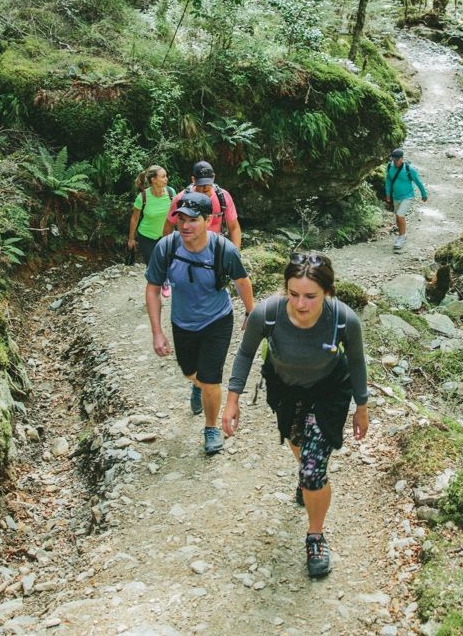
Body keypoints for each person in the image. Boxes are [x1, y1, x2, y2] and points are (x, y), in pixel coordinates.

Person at [222, 252, 368, 578]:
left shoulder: (344, 320)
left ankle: (315, 535)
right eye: (294, 294)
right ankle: (306, 474)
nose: (301, 304)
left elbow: (357, 363)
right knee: (297, 442)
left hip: (330, 390)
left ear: (328, 293)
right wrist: (232, 400)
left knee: (314, 469)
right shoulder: (268, 314)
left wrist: (361, 406)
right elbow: (245, 352)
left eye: (311, 296)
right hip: (284, 388)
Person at [145, 190, 255, 455]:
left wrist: (251, 313)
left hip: (217, 319)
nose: (184, 225)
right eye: (180, 219)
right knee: (189, 371)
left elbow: (241, 281)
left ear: (208, 221)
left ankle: (211, 428)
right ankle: (198, 386)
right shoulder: (167, 247)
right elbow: (152, 289)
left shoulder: (222, 249)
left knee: (210, 377)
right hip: (183, 322)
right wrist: (157, 332)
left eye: (192, 219)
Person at [163, 161, 242, 248]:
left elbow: (234, 228)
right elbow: (168, 227)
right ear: (193, 180)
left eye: (207, 184)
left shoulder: (223, 197)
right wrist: (168, 252)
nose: (205, 188)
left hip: (214, 247)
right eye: (201, 185)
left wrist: (235, 253)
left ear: (214, 177)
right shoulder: (181, 199)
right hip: (189, 249)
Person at [127, 166, 173, 295]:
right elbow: (134, 218)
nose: (166, 179)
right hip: (146, 236)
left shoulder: (171, 193)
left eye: (166, 176)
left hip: (166, 235)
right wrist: (131, 238)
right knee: (152, 265)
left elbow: (177, 214)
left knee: (166, 261)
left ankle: (165, 281)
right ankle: (154, 291)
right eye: (163, 176)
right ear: (153, 180)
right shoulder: (142, 197)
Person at [385, 148, 427, 252]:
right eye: (394, 159)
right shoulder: (390, 167)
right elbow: (388, 181)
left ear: (402, 159)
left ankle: (402, 237)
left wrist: (423, 193)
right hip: (396, 196)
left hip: (407, 196)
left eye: (397, 160)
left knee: (400, 215)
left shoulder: (409, 169)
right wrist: (388, 194)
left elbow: (418, 181)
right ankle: (401, 234)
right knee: (398, 217)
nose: (395, 162)